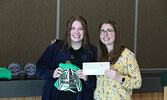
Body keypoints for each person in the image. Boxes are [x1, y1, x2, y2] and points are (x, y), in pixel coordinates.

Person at [36, 16, 97, 100]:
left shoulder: (93, 52)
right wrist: (52, 73)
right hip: (54, 96)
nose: (76, 32)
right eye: (73, 28)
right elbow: (39, 68)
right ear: (68, 31)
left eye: (80, 28)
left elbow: (98, 81)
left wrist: (87, 78)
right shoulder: (55, 47)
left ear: (85, 31)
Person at [93, 20, 142, 100]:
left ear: (116, 33)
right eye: (102, 31)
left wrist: (119, 77)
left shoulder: (127, 55)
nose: (105, 34)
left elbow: (137, 83)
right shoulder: (100, 55)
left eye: (109, 31)